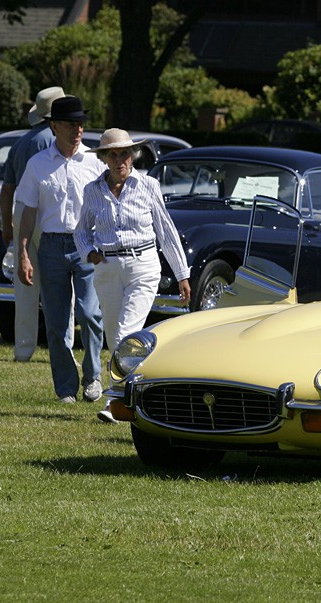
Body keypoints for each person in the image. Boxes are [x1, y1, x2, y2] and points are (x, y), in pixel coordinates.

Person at [75, 128, 192, 423]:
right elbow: (80, 230)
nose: (119, 161)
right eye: (112, 155)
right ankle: (137, 393)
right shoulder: (92, 190)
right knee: (115, 336)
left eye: (124, 154)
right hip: (107, 268)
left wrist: (181, 274)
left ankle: (115, 400)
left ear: (133, 155)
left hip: (144, 265)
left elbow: (165, 230)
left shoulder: (149, 185)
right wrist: (89, 252)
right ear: (103, 159)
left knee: (128, 332)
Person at [15, 96, 106, 404]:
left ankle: (93, 378)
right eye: (70, 124)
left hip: (86, 244)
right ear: (54, 126)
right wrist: (23, 252)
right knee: (56, 322)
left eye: (80, 124)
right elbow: (27, 211)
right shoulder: (38, 164)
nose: (77, 129)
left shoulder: (95, 162)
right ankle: (66, 387)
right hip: (51, 245)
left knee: (89, 313)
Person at [0, 85, 71, 362]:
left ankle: (24, 348)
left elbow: (7, 190)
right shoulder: (56, 140)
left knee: (25, 286)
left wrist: (8, 225)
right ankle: (65, 346)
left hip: (22, 211)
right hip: (52, 213)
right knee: (65, 282)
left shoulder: (20, 143)